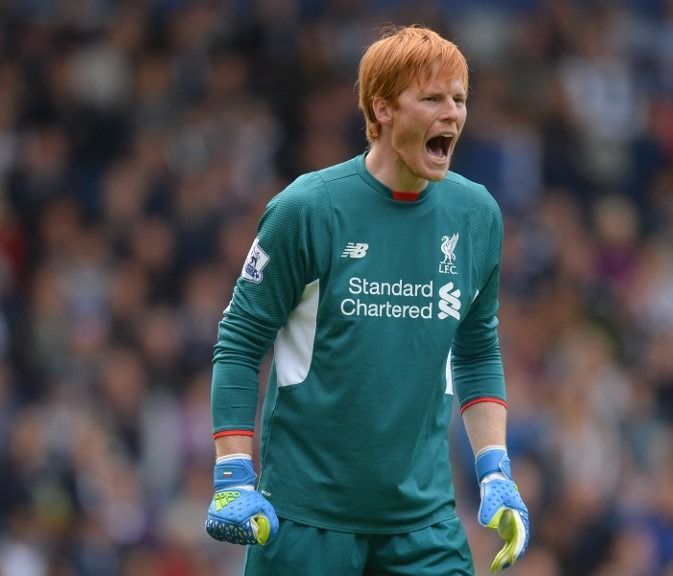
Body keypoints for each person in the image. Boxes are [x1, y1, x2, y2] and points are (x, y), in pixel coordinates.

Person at [205, 25, 529, 575]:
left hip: (424, 525)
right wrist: (233, 471)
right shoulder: (307, 209)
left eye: (459, 99)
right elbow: (239, 342)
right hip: (306, 522)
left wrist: (494, 468)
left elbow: (476, 352)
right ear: (381, 109)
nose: (452, 114)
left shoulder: (476, 215)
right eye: (432, 99)